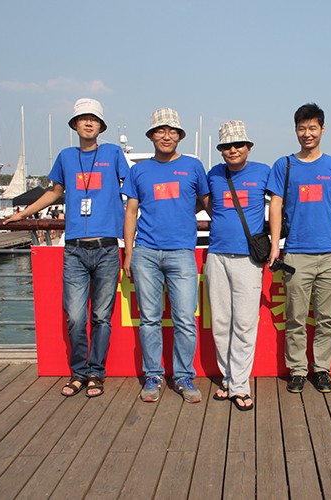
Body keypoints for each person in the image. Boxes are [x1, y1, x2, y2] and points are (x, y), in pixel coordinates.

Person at [5, 98, 129, 398]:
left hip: (107, 248)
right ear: (74, 125)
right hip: (74, 249)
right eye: (83, 118)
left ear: (101, 126)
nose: (88, 123)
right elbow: (54, 193)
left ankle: (96, 373)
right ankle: (78, 372)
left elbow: (133, 190)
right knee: (75, 316)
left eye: (94, 119)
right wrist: (23, 214)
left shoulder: (113, 153)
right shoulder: (66, 157)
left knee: (101, 316)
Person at [122, 108, 210, 403]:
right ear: (151, 135)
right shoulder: (139, 171)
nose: (166, 136)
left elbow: (206, 203)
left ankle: (184, 375)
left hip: (182, 252)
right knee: (149, 319)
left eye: (172, 131)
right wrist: (129, 252)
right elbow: (131, 212)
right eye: (160, 130)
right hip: (145, 252)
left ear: (180, 136)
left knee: (185, 318)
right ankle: (153, 375)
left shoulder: (193, 166)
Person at [266, 103, 331, 393]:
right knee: (296, 318)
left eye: (312, 128)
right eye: (302, 128)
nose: (307, 133)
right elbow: (275, 206)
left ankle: (322, 369)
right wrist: (276, 246)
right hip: (296, 254)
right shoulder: (284, 165)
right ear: (295, 130)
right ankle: (298, 370)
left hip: (330, 254)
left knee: (327, 319)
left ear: (323, 129)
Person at [203, 120, 270, 411]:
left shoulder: (264, 172)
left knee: (244, 324)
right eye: (227, 146)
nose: (233, 150)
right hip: (217, 255)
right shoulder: (214, 175)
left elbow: (280, 204)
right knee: (220, 323)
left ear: (249, 147)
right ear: (221, 150)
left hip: (248, 259)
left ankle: (240, 386)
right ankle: (229, 379)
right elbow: (208, 205)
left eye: (238, 145)